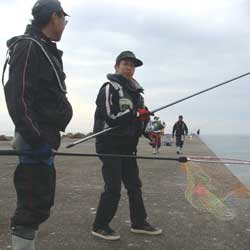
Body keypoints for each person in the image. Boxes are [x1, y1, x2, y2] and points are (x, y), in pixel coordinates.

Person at [2, 1, 72, 249]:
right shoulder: (29, 47)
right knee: (31, 208)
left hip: (44, 140)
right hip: (36, 144)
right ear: (54, 16)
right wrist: (37, 140)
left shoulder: (44, 48)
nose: (65, 24)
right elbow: (18, 99)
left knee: (41, 203)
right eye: (64, 18)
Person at [92, 51, 162, 240]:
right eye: (125, 64)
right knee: (113, 188)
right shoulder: (108, 88)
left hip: (128, 147)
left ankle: (139, 222)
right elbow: (111, 118)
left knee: (134, 186)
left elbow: (142, 121)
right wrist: (135, 114)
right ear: (116, 66)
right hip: (109, 146)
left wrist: (150, 133)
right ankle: (100, 225)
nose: (129, 68)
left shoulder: (138, 95)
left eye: (132, 65)